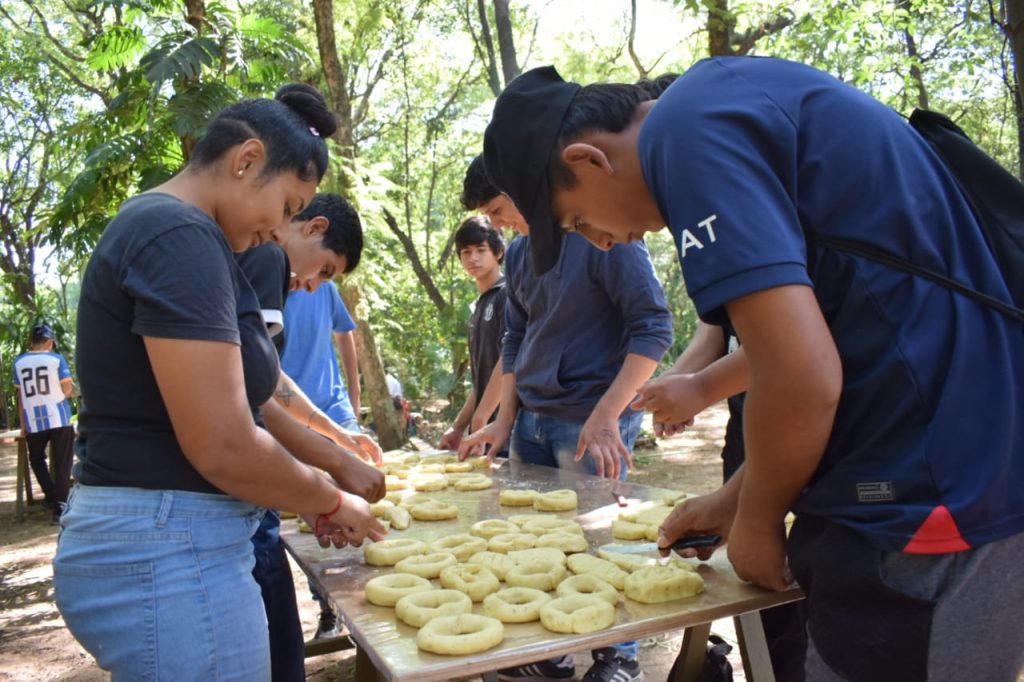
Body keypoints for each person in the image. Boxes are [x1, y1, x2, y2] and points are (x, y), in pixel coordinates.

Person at [481, 60, 1024, 680]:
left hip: (930, 489)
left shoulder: (686, 135)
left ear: (588, 160)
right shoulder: (729, 102)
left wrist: (761, 518)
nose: (602, 241)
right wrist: (733, 500)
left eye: (578, 222)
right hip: (933, 465)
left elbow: (801, 373)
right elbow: (832, 337)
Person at [54, 83, 387, 681]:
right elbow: (225, 443)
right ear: (246, 160)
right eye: (287, 206)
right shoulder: (176, 235)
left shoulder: (198, 241)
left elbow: (250, 399)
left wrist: (311, 487)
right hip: (166, 551)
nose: (279, 228)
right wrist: (331, 496)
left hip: (173, 542)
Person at [459, 155, 673, 682]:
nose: (499, 223)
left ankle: (618, 660)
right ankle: (547, 654)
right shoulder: (522, 254)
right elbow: (516, 339)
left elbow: (653, 328)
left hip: (587, 422)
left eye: (499, 208)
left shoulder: (598, 231)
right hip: (530, 421)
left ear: (524, 185)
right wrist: (503, 423)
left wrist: (606, 415)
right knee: (534, 545)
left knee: (600, 543)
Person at [236, 192, 384, 680]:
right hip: (232, 496)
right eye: (323, 269)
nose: (312, 284)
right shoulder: (265, 259)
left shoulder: (269, 264)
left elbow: (271, 379)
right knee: (277, 645)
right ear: (312, 225)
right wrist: (334, 476)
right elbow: (257, 401)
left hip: (252, 493)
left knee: (280, 637)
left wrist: (337, 433)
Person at [439, 215, 508, 457]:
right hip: (483, 430)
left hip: (508, 431)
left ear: (498, 253)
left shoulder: (507, 296)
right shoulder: (479, 305)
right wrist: (458, 427)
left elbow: (510, 360)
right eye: (466, 252)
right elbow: (483, 379)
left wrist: (479, 421)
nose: (473, 258)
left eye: (481, 250)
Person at [13, 323, 75, 523]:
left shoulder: (19, 362)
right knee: (62, 463)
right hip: (58, 417)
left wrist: (23, 424)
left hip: (33, 420)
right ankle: (60, 506)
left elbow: (20, 395)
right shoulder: (56, 360)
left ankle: (50, 496)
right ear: (50, 342)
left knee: (37, 459)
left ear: (31, 343)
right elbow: (67, 390)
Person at [280, 281, 361, 432]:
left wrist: (354, 393)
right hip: (290, 417)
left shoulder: (325, 286)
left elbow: (343, 332)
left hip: (336, 410)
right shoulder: (265, 290)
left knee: (357, 455)